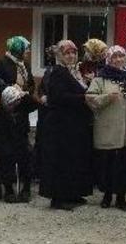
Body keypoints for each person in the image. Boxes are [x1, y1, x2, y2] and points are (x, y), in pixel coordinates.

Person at [39, 40, 94, 211]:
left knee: (74, 160)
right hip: (60, 126)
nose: (71, 56)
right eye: (67, 53)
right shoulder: (57, 72)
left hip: (74, 125)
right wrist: (83, 99)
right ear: (60, 55)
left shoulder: (75, 72)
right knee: (61, 161)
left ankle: (73, 193)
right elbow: (58, 97)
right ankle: (59, 198)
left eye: (73, 53)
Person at [86, 45, 126, 210]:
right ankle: (107, 195)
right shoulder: (100, 79)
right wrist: (107, 97)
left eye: (121, 56)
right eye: (114, 57)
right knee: (107, 164)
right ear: (108, 59)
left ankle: (121, 197)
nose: (118, 60)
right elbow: (89, 98)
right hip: (107, 128)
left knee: (124, 165)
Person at [0, 85, 37, 203]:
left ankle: (26, 188)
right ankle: (8, 190)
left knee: (28, 154)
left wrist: (23, 94)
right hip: (4, 140)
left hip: (20, 139)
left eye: (16, 103)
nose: (13, 106)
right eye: (11, 104)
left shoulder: (22, 105)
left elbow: (35, 104)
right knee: (5, 155)